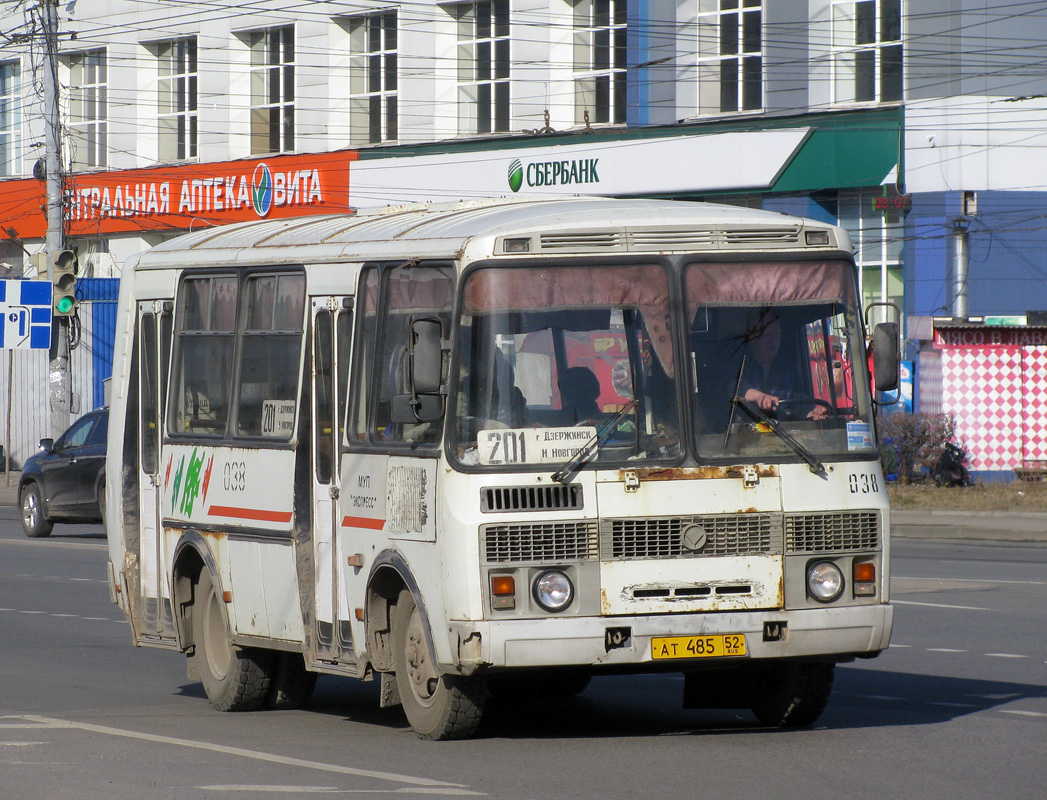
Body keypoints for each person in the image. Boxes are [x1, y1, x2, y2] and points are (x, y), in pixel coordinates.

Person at [739, 309, 826, 420]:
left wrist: (813, 412)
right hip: (744, 434)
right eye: (768, 335)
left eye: (777, 336)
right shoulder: (740, 365)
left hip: (783, 433)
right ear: (752, 337)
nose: (773, 341)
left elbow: (800, 403)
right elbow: (735, 387)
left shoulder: (787, 370)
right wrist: (759, 397)